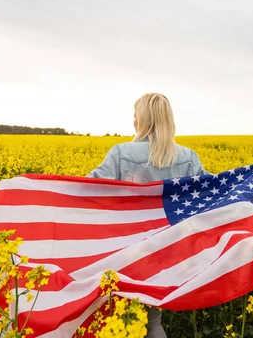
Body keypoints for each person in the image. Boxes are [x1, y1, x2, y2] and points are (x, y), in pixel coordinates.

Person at [87, 92, 207, 338]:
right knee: (152, 321)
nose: (133, 121)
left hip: (126, 249)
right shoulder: (188, 158)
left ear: (141, 119)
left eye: (135, 116)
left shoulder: (121, 153)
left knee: (121, 319)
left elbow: (90, 188)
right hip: (170, 251)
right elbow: (211, 194)